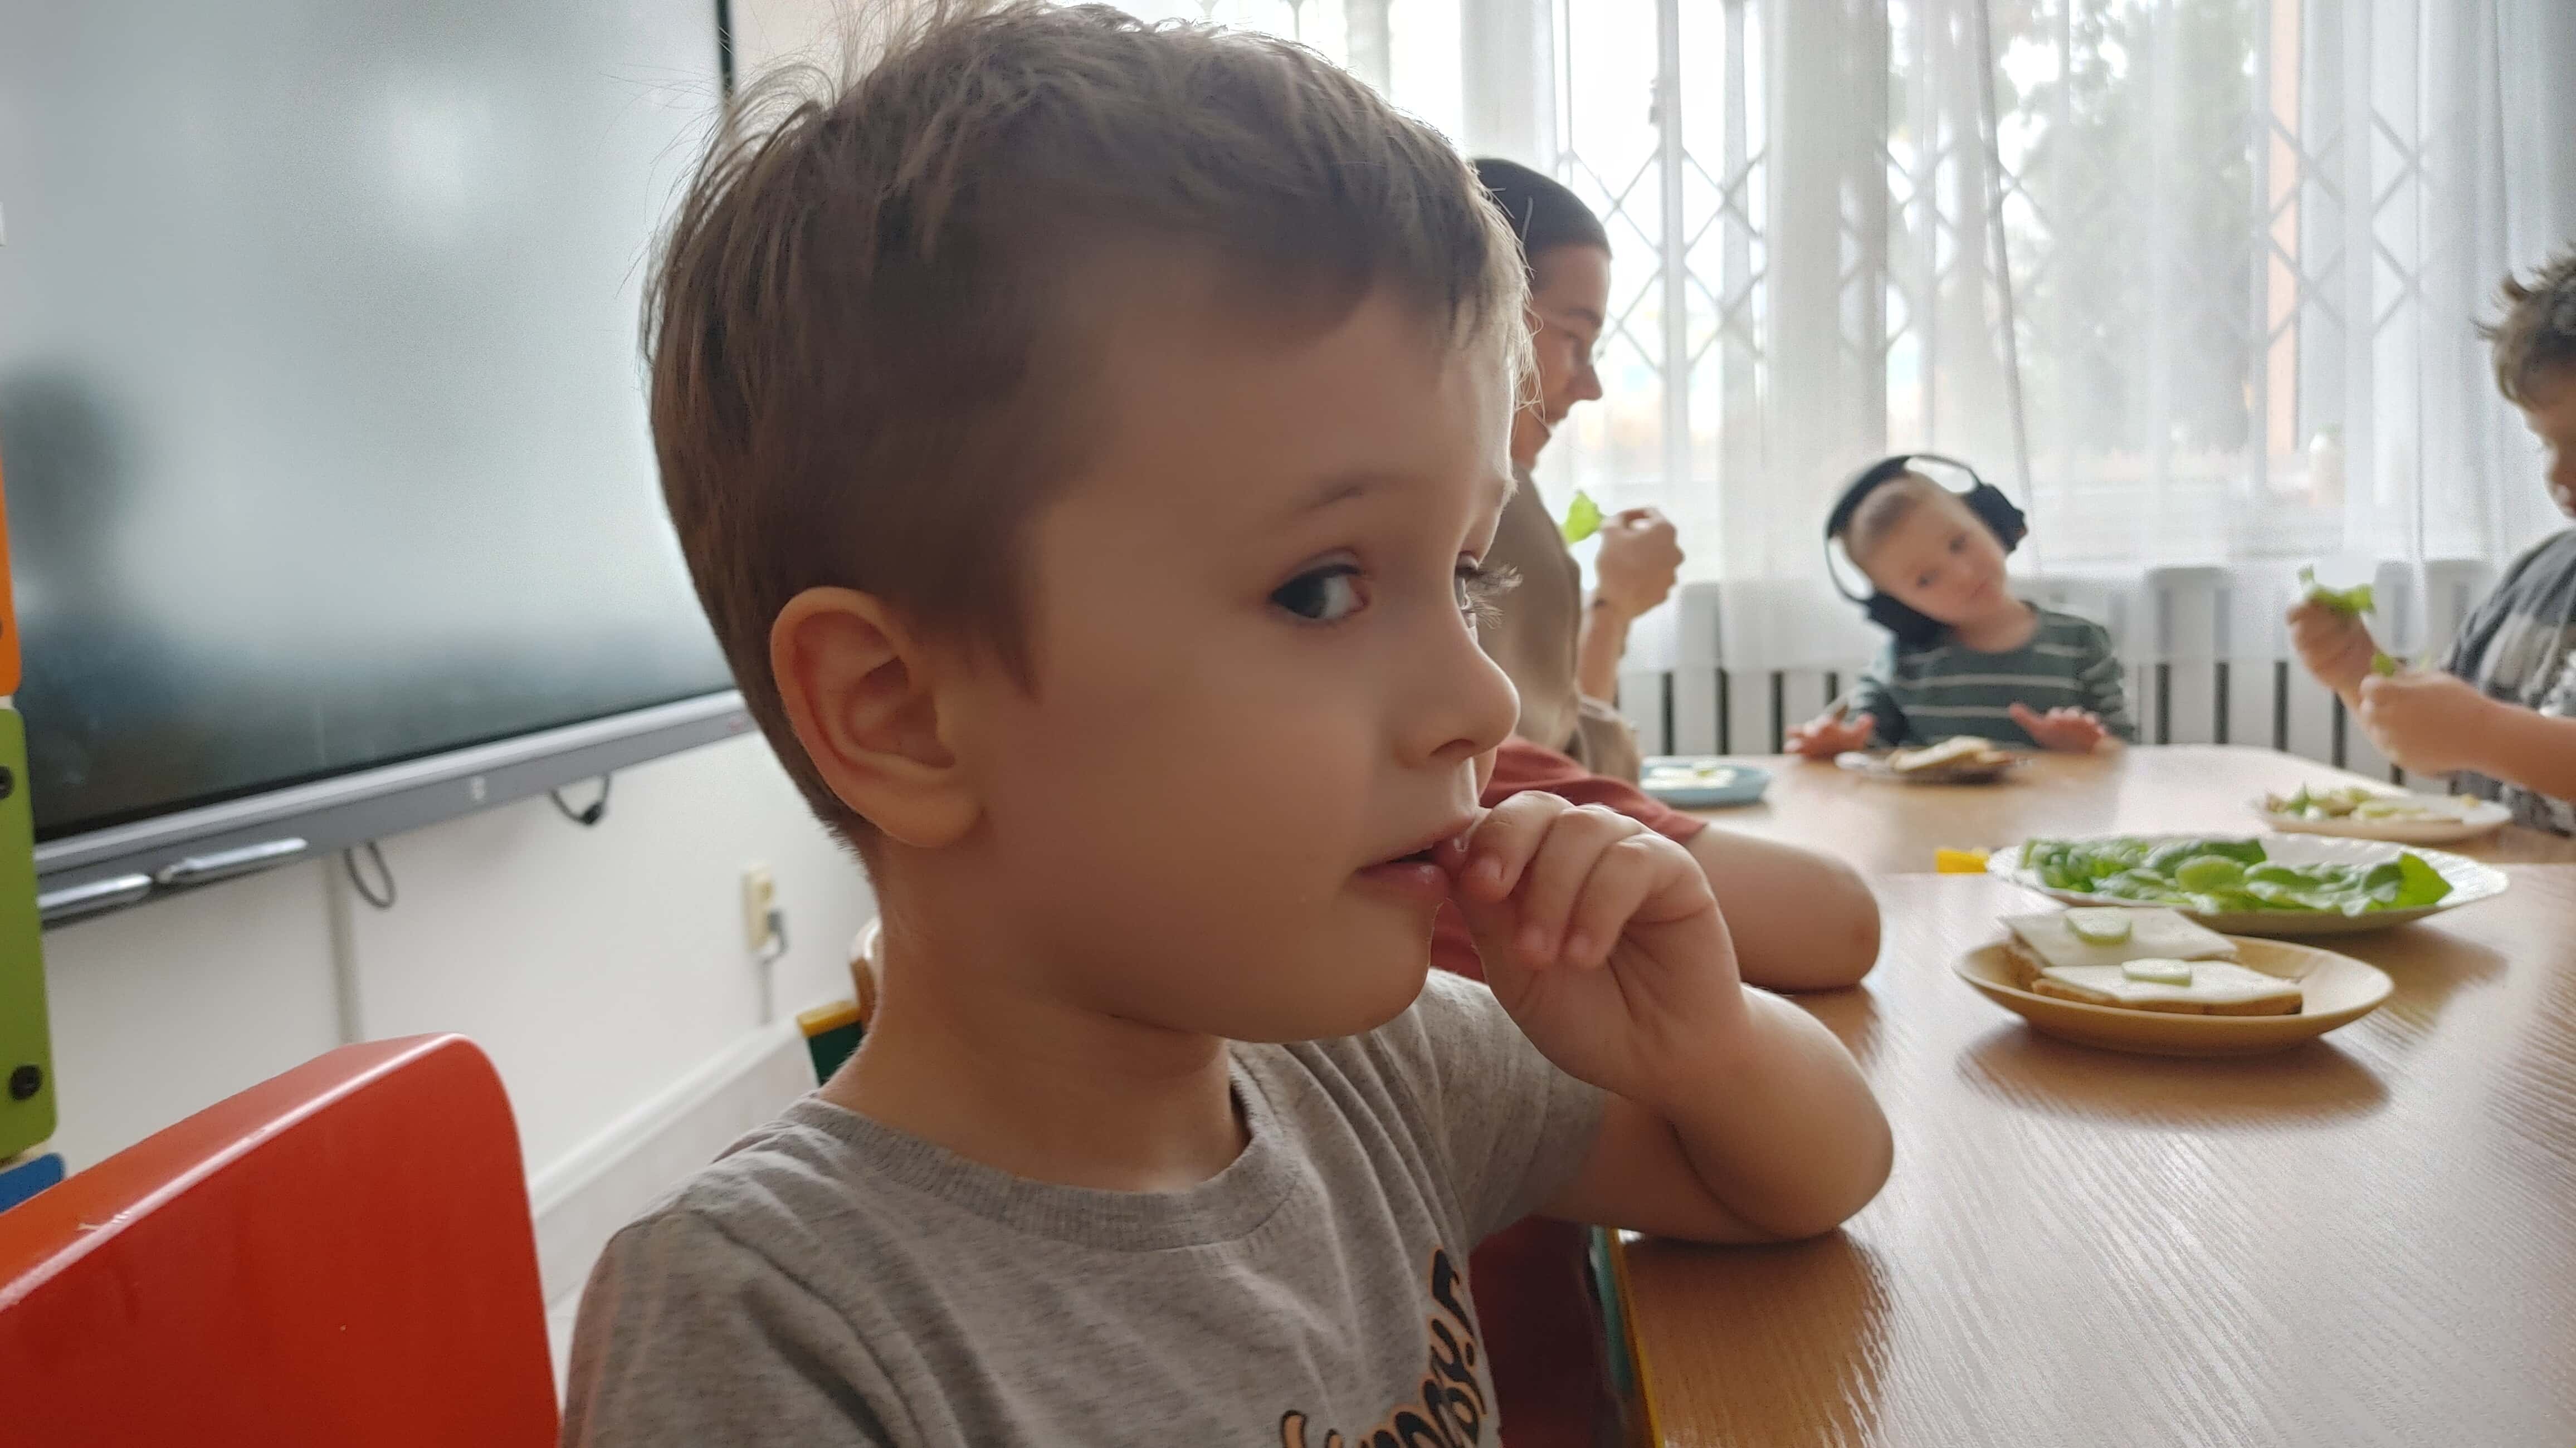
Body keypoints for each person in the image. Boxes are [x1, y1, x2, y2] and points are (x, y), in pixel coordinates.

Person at [559, 8, 1893, 1447]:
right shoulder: (767, 1316)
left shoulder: (1379, 1072)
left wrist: (1705, 1047)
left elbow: (1809, 1176)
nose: (1482, 699)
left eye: (1462, 576)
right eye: (1322, 589)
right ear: (902, 716)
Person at [1458, 159, 1880, 996]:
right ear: (1483, 316)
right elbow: (1539, 781)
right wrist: (1611, 610)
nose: (1588, 384)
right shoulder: (1485, 502)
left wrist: (1611, 610)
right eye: (1573, 338)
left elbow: (1553, 752)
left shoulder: (1504, 498)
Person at [2288, 248, 2576, 835]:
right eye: (2546, 443)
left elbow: (2476, 734)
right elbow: (2441, 747)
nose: (2559, 473)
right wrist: (2358, 670)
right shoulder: (2536, 579)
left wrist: (2485, 732)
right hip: (2522, 888)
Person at [1788, 462, 2137, 757]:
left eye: (1959, 544)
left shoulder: (2081, 641)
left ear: (1990, 522)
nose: (1963, 574)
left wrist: (2088, 747)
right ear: (1899, 608)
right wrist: (1837, 746)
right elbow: (1862, 746)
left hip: (2054, 817)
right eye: (1926, 579)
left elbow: (2126, 752)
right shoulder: (1901, 663)